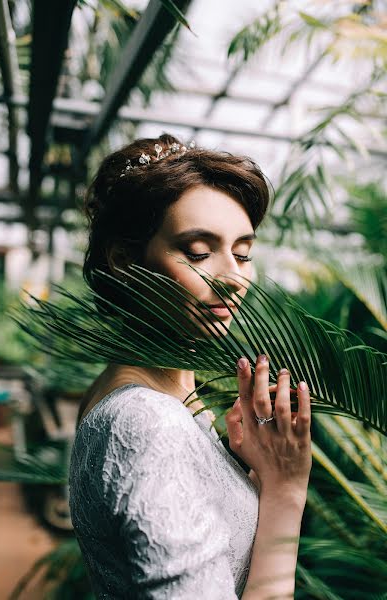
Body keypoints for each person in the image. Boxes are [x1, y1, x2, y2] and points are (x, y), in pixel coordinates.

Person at [69, 133, 312, 599]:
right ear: (124, 260)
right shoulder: (146, 421)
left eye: (243, 254)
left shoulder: (165, 393)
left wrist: (255, 474)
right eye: (199, 252)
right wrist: (285, 492)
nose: (233, 279)